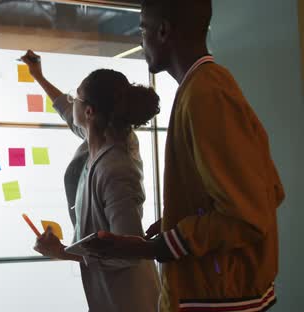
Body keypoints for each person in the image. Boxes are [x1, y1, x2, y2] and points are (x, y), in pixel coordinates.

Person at [83, 1, 285, 311]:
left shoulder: (207, 94)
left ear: (163, 31)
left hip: (220, 299)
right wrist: (179, 219)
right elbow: (262, 191)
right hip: (216, 292)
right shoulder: (202, 87)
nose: (141, 40)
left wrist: (157, 245)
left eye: (143, 29)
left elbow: (247, 214)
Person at [21, 50, 160, 312]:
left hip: (131, 299)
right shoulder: (97, 140)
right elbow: (66, 109)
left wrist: (62, 251)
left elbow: (129, 251)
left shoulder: (116, 168)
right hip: (110, 295)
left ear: (89, 111)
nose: (71, 101)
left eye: (76, 97)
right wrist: (38, 76)